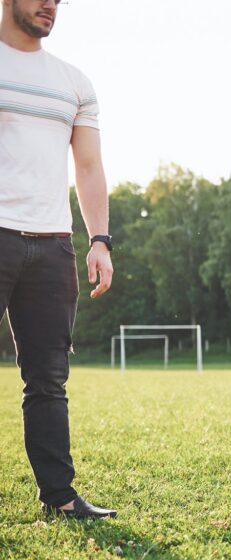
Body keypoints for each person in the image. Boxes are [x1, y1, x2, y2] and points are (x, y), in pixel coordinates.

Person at [0, 0, 116, 518]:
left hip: (52, 246)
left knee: (48, 378)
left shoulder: (73, 82)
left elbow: (88, 166)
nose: (50, 3)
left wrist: (100, 240)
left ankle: (61, 498)